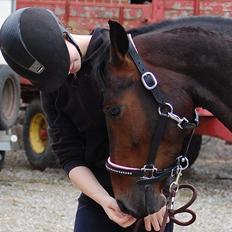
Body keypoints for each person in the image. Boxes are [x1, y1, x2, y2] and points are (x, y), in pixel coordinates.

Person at [0, 7, 173, 232]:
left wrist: (157, 193)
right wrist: (104, 201)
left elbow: (165, 128)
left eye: (63, 62)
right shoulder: (53, 87)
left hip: (148, 196)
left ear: (63, 34)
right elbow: (69, 155)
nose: (65, 73)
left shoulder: (122, 56)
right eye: (55, 73)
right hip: (99, 200)